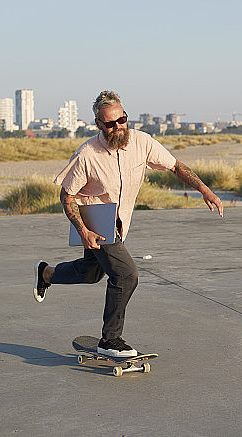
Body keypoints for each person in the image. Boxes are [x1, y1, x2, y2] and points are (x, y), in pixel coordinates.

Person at [32, 91, 224, 357]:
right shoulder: (87, 154)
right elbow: (67, 195)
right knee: (126, 275)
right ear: (99, 124)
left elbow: (175, 166)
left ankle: (47, 274)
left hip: (120, 225)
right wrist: (83, 230)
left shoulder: (142, 142)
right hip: (97, 223)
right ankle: (110, 340)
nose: (118, 127)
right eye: (110, 123)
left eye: (122, 120)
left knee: (92, 273)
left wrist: (205, 189)